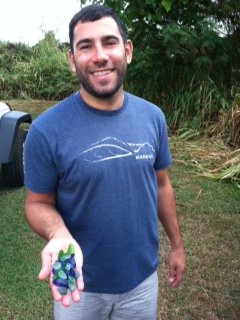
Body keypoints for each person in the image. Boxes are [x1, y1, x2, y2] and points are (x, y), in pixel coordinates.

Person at [24, 4, 185, 320]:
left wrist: (177, 246)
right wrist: (58, 233)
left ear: (127, 51)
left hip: (141, 279)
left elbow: (161, 185)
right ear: (72, 60)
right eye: (85, 46)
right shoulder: (45, 130)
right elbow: (36, 203)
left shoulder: (153, 117)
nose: (99, 55)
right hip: (73, 278)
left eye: (109, 42)